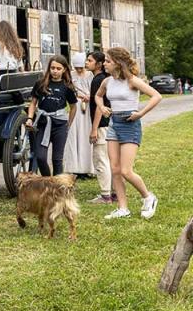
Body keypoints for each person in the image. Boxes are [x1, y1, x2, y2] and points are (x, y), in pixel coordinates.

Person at [95, 47, 161, 220]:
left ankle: (148, 197)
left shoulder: (132, 81)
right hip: (114, 124)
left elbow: (156, 96)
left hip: (130, 124)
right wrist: (102, 107)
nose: (105, 64)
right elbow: (98, 96)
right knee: (115, 169)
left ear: (118, 63)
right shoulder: (107, 82)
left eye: (108, 61)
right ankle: (123, 208)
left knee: (126, 170)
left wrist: (140, 113)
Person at [25, 55, 77, 176]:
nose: (55, 71)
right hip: (43, 124)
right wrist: (29, 118)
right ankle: (48, 182)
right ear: (49, 68)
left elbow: (73, 106)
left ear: (64, 70)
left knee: (57, 160)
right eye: (52, 68)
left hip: (60, 125)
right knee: (41, 157)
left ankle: (58, 189)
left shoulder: (67, 86)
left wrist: (68, 124)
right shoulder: (41, 83)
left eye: (58, 68)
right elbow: (33, 103)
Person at [86, 51, 113, 203]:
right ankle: (114, 193)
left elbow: (99, 106)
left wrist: (94, 128)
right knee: (110, 160)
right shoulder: (106, 79)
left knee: (100, 159)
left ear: (98, 64)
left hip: (102, 125)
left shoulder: (98, 80)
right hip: (110, 124)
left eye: (90, 61)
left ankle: (105, 195)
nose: (86, 63)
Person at [63, 53, 94, 176]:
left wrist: (89, 96)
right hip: (76, 105)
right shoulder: (71, 75)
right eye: (77, 68)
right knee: (74, 134)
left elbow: (96, 90)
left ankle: (88, 167)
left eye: (81, 67)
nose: (79, 70)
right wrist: (78, 96)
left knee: (86, 133)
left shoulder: (90, 75)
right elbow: (69, 90)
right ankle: (75, 166)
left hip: (87, 106)